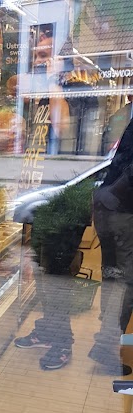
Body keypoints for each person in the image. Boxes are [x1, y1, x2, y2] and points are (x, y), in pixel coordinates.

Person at [14, 35, 76, 371]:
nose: (40, 58)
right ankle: (48, 330)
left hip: (62, 202)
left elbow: (62, 129)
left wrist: (52, 81)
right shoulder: (42, 92)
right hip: (39, 198)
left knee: (56, 278)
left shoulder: (74, 91)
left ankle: (63, 342)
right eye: (37, 53)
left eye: (46, 53)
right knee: (43, 273)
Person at [90, 117, 133, 376]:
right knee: (125, 280)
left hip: (110, 207)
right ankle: (106, 345)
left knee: (113, 275)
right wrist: (115, 193)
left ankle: (106, 338)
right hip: (122, 211)